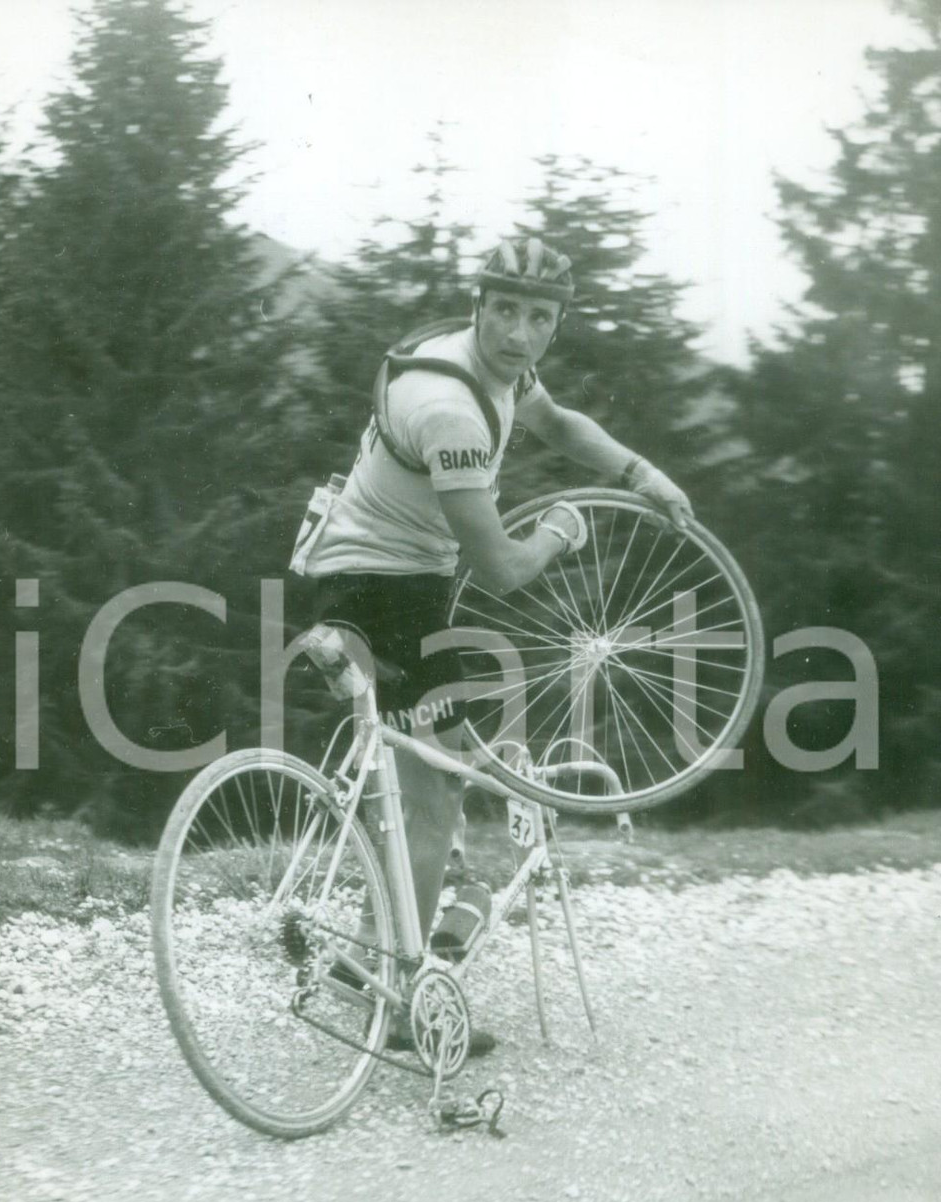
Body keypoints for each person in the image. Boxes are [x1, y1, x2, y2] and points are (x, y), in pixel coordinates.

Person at [293, 235, 692, 1054]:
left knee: (436, 759)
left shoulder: (489, 370)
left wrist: (637, 473)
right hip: (387, 585)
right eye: (503, 310)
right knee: (437, 790)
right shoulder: (450, 411)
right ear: (478, 305)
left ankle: (369, 942)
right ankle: (403, 998)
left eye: (537, 317)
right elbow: (505, 570)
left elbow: (555, 421)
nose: (516, 332)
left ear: (553, 328)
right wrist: (560, 531)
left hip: (370, 572)